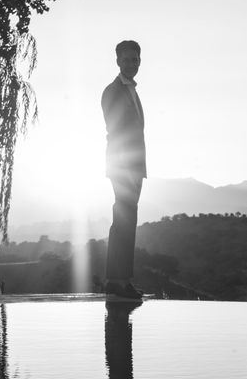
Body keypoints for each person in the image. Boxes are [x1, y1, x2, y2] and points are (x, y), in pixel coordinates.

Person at [101, 40, 146, 300]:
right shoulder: (113, 91)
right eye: (127, 59)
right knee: (123, 219)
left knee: (127, 219)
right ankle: (117, 281)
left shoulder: (132, 91)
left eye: (136, 59)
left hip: (135, 165)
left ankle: (120, 280)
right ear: (118, 61)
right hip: (122, 164)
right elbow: (115, 130)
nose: (132, 63)